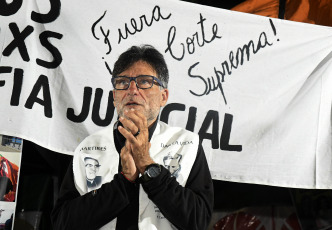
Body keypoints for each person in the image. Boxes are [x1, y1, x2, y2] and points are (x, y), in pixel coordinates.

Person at [51, 45, 214, 230]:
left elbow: (198, 221)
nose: (132, 90)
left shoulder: (187, 144)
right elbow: (62, 223)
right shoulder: (89, 147)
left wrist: (148, 167)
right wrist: (124, 182)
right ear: (114, 97)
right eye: (122, 82)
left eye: (144, 81)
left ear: (163, 96)